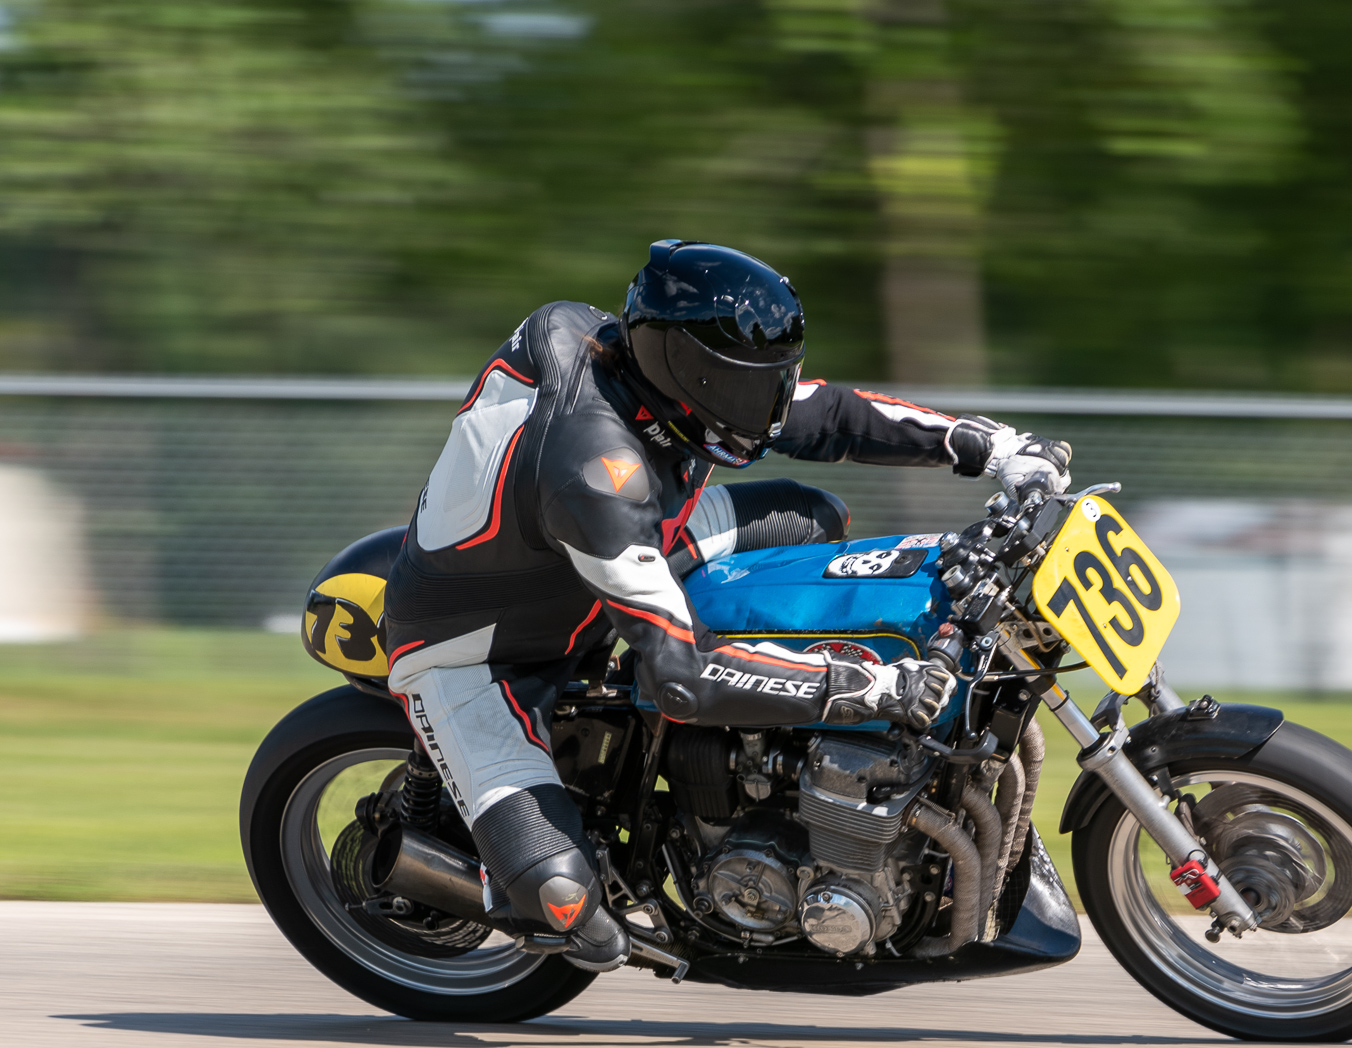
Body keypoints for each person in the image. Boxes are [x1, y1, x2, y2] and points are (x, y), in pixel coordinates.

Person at [383, 239, 1074, 970]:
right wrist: (867, 686)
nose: (769, 409)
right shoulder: (595, 472)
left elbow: (829, 413)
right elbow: (680, 681)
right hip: (480, 651)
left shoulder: (647, 372)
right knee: (572, 915)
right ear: (685, 370)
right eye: (750, 389)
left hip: (598, 554)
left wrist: (993, 448)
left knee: (812, 516)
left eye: (774, 382)